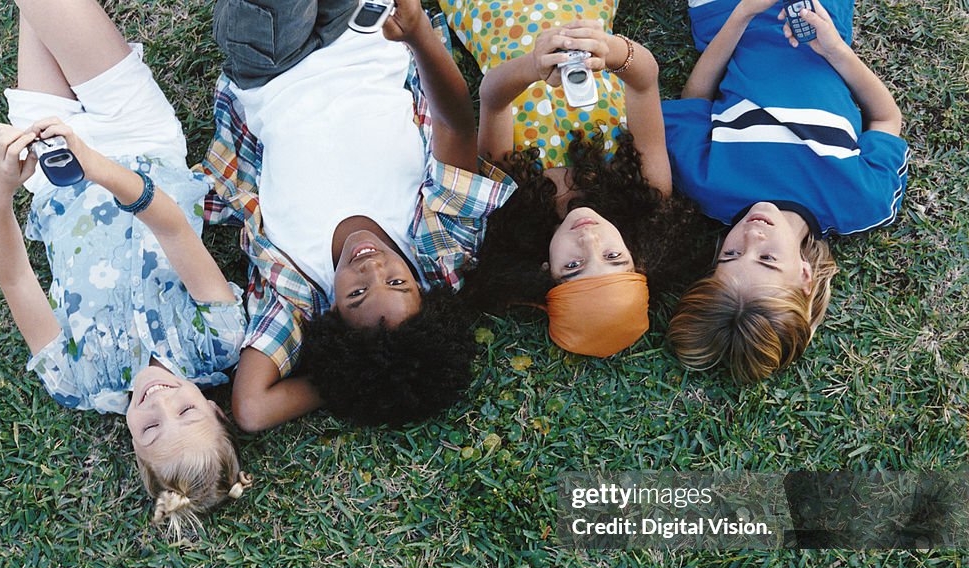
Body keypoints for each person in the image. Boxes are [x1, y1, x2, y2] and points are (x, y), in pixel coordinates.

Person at [0, 0, 250, 536]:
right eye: (188, 412)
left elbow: (14, 279)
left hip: (50, 174)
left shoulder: (76, 379)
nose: (161, 402)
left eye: (151, 429)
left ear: (132, 445)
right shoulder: (217, 340)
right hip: (138, 140)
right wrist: (98, 163)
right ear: (218, 411)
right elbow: (173, 226)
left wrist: (0, 191)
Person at [203, 0, 517, 430]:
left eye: (356, 294)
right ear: (422, 290)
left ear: (332, 318)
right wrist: (419, 33)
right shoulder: (436, 238)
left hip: (272, 66)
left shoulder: (299, 287)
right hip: (368, 34)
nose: (370, 267)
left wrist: (357, 376)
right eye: (396, 282)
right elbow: (456, 126)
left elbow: (253, 410)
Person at [441, 1, 705, 357]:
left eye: (573, 266)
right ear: (636, 258)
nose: (589, 239)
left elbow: (493, 98)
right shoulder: (649, 191)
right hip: (585, 16)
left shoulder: (510, 200)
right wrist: (613, 52)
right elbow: (644, 83)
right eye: (613, 256)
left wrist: (533, 67)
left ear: (546, 271)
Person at [663, 0, 908, 383]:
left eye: (731, 254)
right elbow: (886, 118)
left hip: (723, 14)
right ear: (805, 277)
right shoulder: (861, 201)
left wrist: (742, 13)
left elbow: (695, 100)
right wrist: (835, 50)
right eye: (767, 259)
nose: (752, 235)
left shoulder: (707, 187)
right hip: (818, 16)